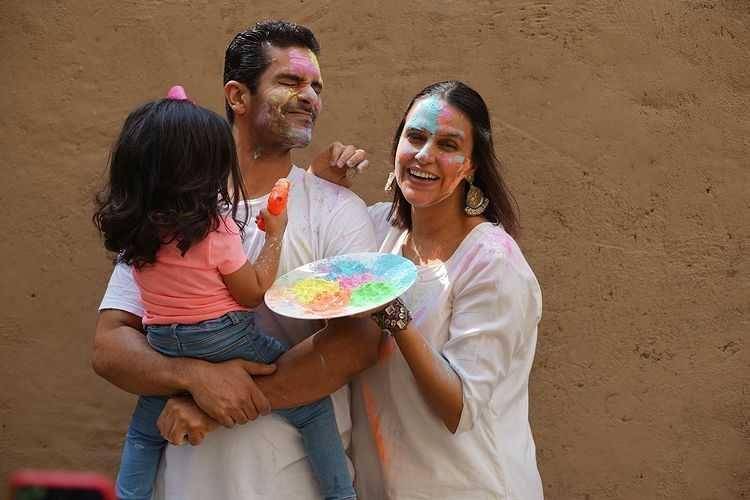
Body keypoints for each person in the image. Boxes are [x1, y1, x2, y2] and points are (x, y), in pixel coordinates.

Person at [93, 21, 382, 499]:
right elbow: (109, 345)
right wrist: (192, 377)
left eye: (317, 86)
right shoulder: (172, 208)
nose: (310, 97)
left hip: (293, 485)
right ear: (237, 96)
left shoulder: (336, 209)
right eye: (291, 81)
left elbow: (358, 341)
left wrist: (213, 404)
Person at [344, 81, 544, 499]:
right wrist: (322, 184)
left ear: (471, 166)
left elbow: (460, 408)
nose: (424, 155)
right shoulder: (378, 230)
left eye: (448, 144)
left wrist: (395, 316)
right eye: (415, 137)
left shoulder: (492, 263)